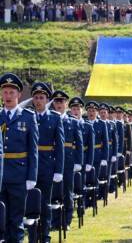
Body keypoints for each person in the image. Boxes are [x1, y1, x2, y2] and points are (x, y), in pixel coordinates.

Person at [0, 73, 39, 242]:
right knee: (1, 221)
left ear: (19, 95)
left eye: (11, 93)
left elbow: (33, 149)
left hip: (19, 176)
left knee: (16, 221)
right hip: (0, 176)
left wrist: (31, 177)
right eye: (5, 92)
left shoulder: (28, 117)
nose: (8, 96)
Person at [29, 82, 64, 243]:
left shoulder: (55, 118)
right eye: (35, 97)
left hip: (47, 165)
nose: (38, 101)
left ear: (47, 100)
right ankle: (31, 235)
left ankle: (46, 235)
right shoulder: (27, 116)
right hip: (29, 166)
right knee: (29, 202)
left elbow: (60, 146)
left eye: (41, 98)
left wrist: (58, 170)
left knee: (45, 203)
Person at [51, 90, 83, 229]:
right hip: (52, 160)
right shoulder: (49, 119)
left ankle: (66, 221)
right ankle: (53, 220)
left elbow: (79, 144)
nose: (59, 104)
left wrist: (78, 162)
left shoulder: (73, 122)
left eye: (61, 102)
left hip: (68, 161)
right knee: (53, 191)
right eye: (56, 102)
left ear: (66, 104)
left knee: (67, 191)